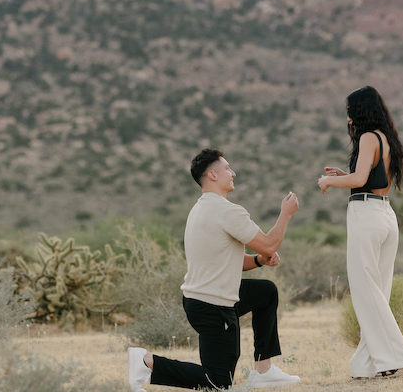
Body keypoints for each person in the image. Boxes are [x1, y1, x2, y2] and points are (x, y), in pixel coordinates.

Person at [128, 148, 301, 391]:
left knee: (265, 292)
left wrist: (260, 261)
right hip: (213, 307)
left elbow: (233, 260)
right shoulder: (227, 211)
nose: (234, 173)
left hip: (201, 301)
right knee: (218, 383)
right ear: (212, 175)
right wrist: (286, 214)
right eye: (228, 169)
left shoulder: (200, 209)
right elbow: (270, 243)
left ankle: (264, 370)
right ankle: (147, 362)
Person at [316, 85, 403, 380]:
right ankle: (368, 364)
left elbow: (360, 178)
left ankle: (396, 360)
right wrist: (341, 175)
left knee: (365, 290)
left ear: (359, 111)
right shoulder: (385, 138)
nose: (348, 119)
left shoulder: (368, 137)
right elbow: (368, 178)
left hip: (366, 213)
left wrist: (328, 182)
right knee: (378, 292)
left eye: (349, 112)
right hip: (385, 213)